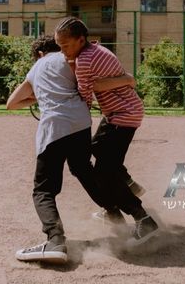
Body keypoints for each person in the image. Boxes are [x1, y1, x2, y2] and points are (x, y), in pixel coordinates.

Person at [6, 36, 132, 264]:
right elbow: (89, 85)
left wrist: (38, 99)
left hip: (55, 127)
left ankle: (55, 240)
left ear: (41, 54)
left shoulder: (37, 67)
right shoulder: (72, 59)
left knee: (43, 189)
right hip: (81, 124)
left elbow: (11, 103)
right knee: (83, 169)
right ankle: (116, 217)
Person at [54, 18, 159, 246]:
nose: (63, 52)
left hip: (122, 116)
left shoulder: (84, 60)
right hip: (121, 114)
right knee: (97, 150)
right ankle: (125, 186)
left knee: (104, 172)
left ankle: (143, 218)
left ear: (80, 40)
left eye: (65, 46)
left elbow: (84, 97)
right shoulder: (96, 48)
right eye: (59, 46)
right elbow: (98, 85)